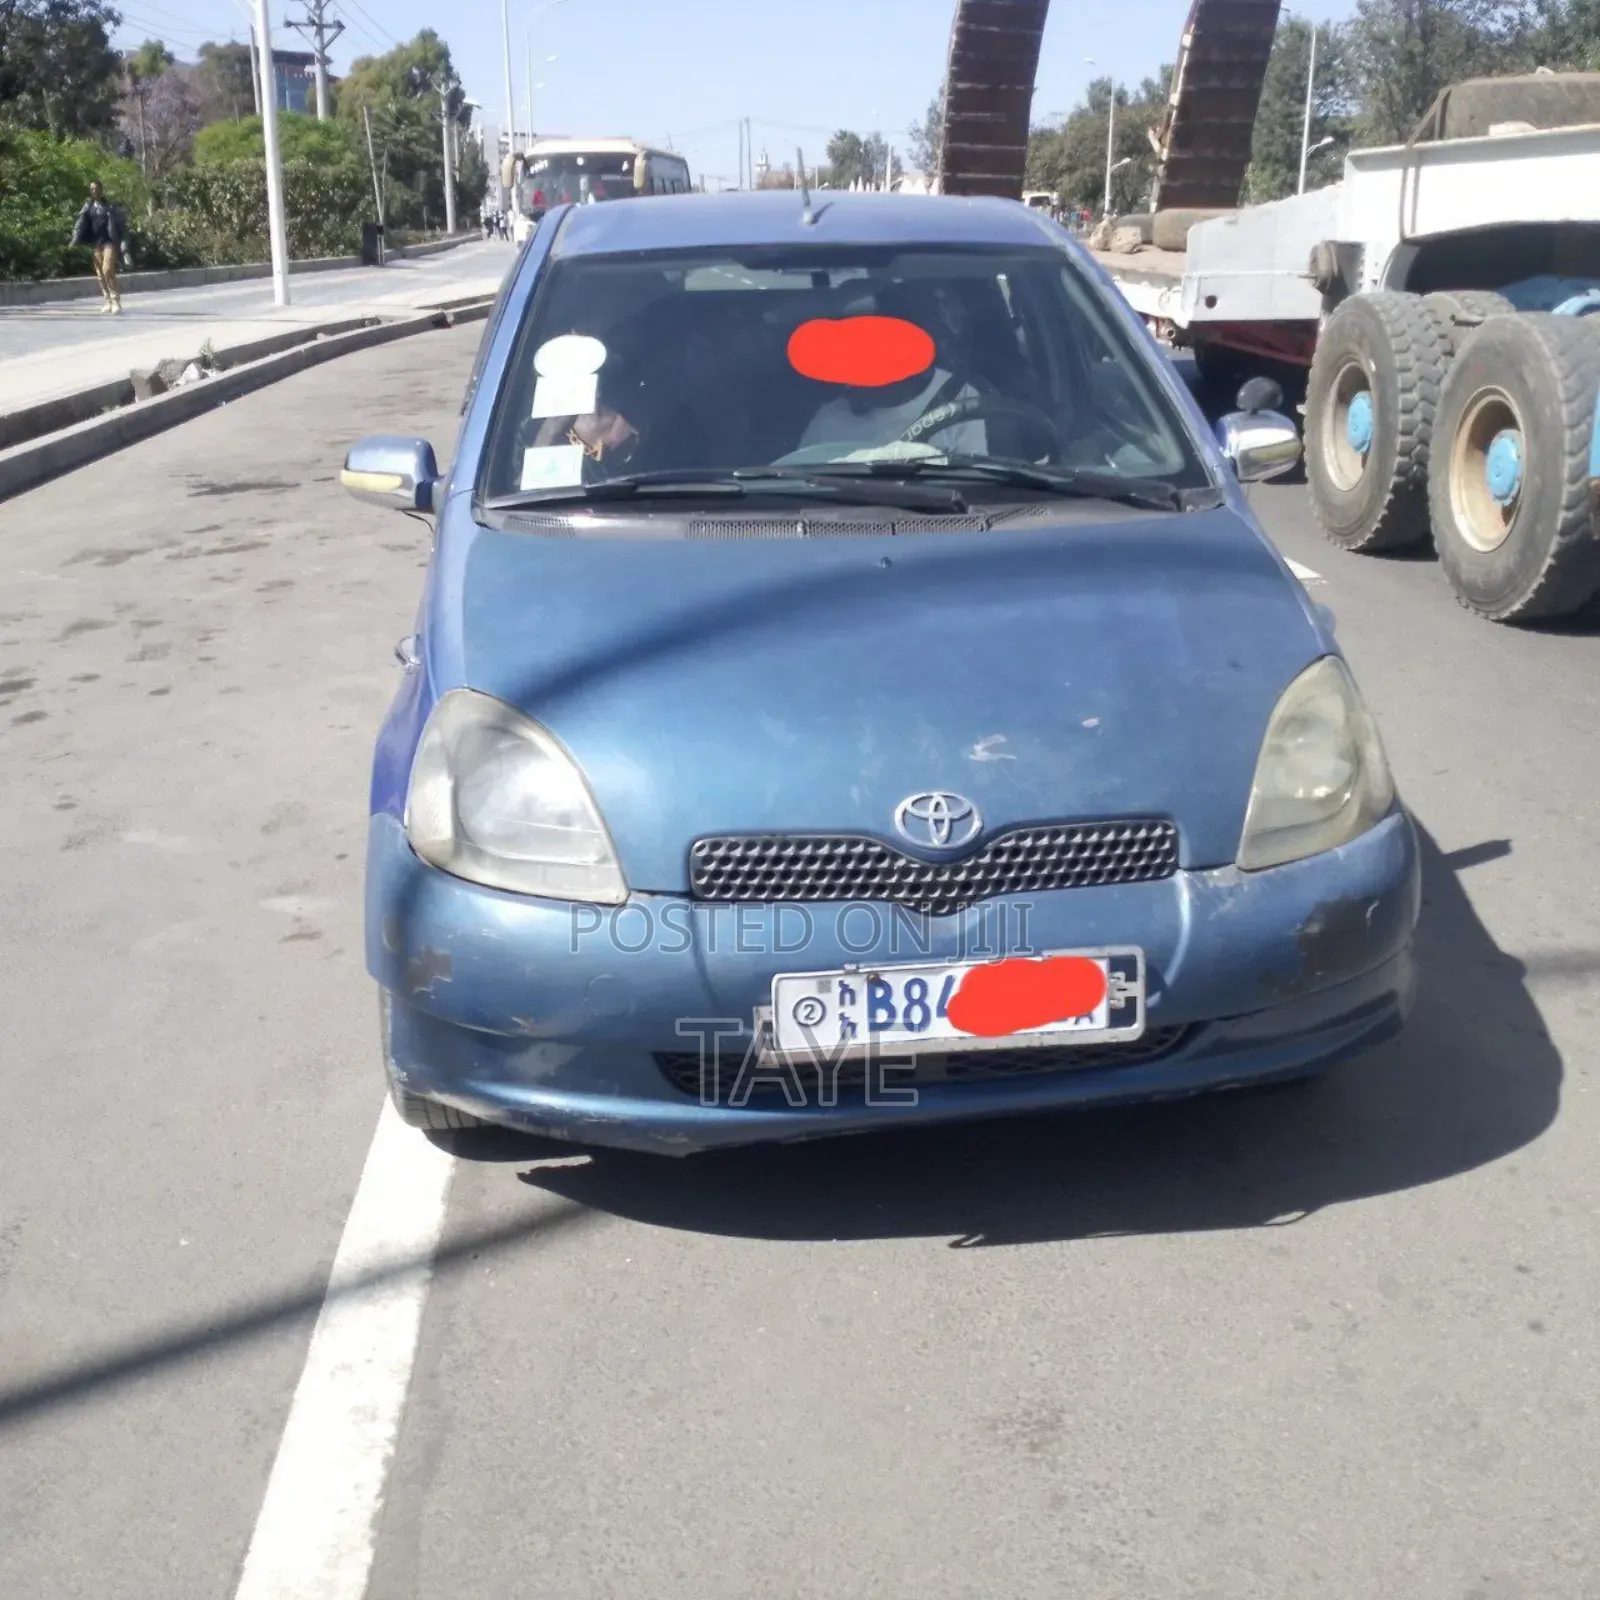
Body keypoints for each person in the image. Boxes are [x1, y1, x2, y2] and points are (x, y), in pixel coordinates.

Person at [71, 181, 126, 314]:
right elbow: (80, 224)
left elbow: (121, 226)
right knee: (100, 274)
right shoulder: (88, 207)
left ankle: (115, 300)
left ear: (101, 190)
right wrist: (75, 239)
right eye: (91, 189)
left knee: (107, 270)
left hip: (109, 242)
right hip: (95, 243)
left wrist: (123, 242)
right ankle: (107, 300)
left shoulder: (110, 207)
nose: (94, 191)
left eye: (96, 188)